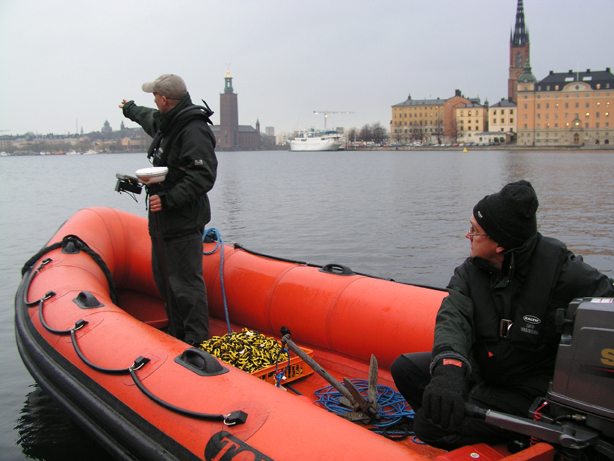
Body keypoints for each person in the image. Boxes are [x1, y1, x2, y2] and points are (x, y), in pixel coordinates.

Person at [391, 180, 614, 450]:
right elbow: (454, 315)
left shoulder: (564, 274)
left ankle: (510, 437)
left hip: (526, 387)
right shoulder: (471, 270)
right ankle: (464, 418)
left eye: (474, 231)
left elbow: (606, 298)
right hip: (485, 368)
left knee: (427, 427)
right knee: (405, 369)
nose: (467, 236)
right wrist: (449, 368)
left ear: (499, 244)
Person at [119, 74, 217, 346]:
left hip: (183, 219)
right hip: (162, 220)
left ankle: (197, 342)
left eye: (154, 97)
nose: (153, 100)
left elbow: (203, 176)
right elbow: (149, 117)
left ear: (164, 99)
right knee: (165, 280)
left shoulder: (193, 130)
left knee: (186, 284)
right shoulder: (169, 121)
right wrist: (130, 109)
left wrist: (169, 199)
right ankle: (178, 336)